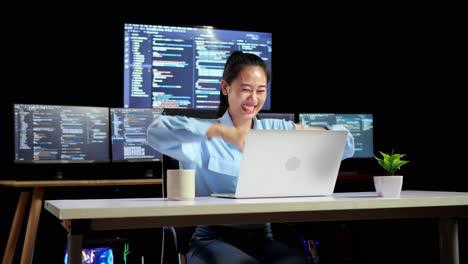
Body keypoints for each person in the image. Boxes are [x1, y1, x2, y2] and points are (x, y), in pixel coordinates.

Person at [147, 51, 355, 264]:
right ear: (225, 88)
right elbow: (155, 132)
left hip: (263, 237)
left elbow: (346, 145)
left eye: (260, 91)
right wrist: (223, 132)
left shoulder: (275, 130)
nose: (253, 99)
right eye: (245, 89)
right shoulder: (205, 137)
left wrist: (304, 131)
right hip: (211, 237)